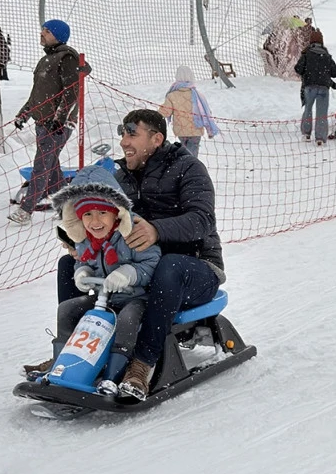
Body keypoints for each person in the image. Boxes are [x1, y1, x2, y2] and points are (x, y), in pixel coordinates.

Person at [48, 109, 224, 401]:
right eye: (122, 134)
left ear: (156, 139)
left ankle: (142, 364)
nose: (123, 142)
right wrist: (79, 240)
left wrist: (157, 231)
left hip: (194, 268)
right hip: (139, 270)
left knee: (170, 265)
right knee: (70, 264)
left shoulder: (188, 168)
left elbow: (202, 219)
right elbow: (101, 218)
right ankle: (74, 354)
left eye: (132, 133)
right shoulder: (119, 175)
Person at [22, 166, 161, 395]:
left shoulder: (133, 231)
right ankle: (61, 364)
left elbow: (152, 262)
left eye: (101, 213)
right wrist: (83, 271)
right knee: (68, 309)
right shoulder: (87, 239)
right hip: (104, 299)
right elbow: (83, 261)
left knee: (127, 318)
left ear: (116, 212)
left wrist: (128, 273)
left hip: (137, 298)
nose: (94, 221)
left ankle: (116, 374)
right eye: (87, 214)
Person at [9, 19, 82, 225]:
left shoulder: (67, 58)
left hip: (58, 124)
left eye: (47, 31)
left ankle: (26, 211)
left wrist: (60, 119)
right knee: (51, 166)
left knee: (42, 165)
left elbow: (71, 92)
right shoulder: (45, 60)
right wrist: (24, 113)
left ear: (58, 35)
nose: (42, 33)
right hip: (43, 122)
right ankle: (68, 206)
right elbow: (38, 95)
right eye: (43, 30)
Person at [158, 65, 219, 157]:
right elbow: (206, 114)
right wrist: (209, 129)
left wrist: (154, 116)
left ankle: (186, 166)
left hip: (181, 131)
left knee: (185, 152)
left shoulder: (172, 95)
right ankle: (192, 167)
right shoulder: (198, 96)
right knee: (193, 154)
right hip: (196, 131)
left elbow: (165, 112)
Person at [294, 29, 336, 145]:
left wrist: (308, 71)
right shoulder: (327, 55)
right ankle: (320, 137)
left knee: (308, 109)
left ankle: (306, 134)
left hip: (309, 86)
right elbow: (335, 72)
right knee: (322, 113)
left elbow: (298, 69)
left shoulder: (307, 54)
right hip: (324, 87)